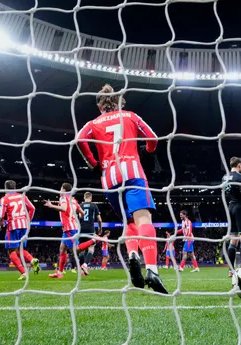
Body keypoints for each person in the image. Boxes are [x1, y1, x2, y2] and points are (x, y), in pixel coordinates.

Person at [77, 84, 167, 294]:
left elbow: (80, 139)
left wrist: (93, 162)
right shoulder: (131, 116)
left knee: (129, 221)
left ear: (100, 105)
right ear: (119, 102)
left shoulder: (94, 123)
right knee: (143, 219)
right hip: (133, 172)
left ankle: (133, 255)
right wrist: (148, 150)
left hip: (109, 177)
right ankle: (152, 270)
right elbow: (153, 138)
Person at [44, 183, 98, 278]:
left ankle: (94, 239)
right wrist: (77, 218)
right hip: (70, 227)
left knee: (75, 250)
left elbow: (64, 208)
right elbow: (82, 212)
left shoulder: (64, 198)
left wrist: (51, 205)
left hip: (69, 228)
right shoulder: (73, 200)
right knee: (62, 249)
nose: (60, 190)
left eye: (61, 188)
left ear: (64, 190)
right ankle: (59, 273)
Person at [0, 180, 40, 280]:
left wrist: (0, 223)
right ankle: (32, 260)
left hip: (13, 227)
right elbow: (32, 208)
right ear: (15, 187)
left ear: (5, 188)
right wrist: (27, 220)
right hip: (24, 226)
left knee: (11, 251)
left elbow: (0, 215)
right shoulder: (23, 196)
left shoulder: (5, 198)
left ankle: (24, 272)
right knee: (20, 250)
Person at [222, 157, 241, 276]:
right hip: (240, 207)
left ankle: (231, 270)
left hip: (230, 207)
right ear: (239, 164)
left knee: (233, 239)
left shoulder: (224, 177)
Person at [78, 192, 102, 268]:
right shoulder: (94, 206)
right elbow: (99, 220)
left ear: (84, 197)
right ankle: (85, 265)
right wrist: (100, 228)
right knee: (91, 248)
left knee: (81, 249)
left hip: (81, 229)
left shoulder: (80, 205)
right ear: (91, 198)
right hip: (90, 230)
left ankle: (81, 266)